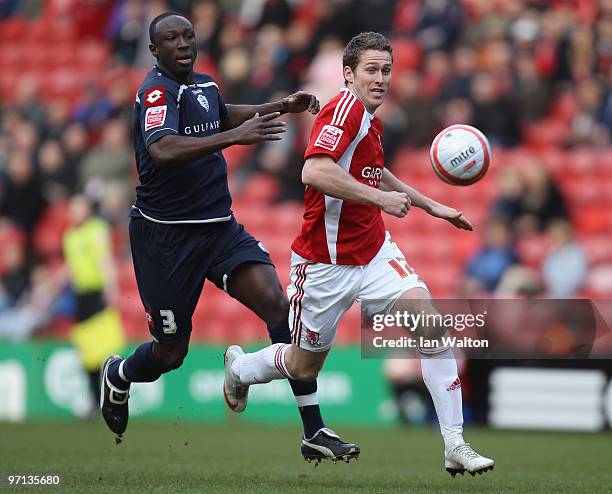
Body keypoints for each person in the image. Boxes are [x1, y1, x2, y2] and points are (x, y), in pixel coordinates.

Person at [224, 32, 495, 475]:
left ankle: (454, 445)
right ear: (348, 74)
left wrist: (430, 205)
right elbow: (314, 170)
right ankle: (240, 367)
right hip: (324, 264)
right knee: (302, 363)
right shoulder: (343, 109)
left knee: (430, 326)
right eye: (371, 69)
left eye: (387, 70)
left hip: (372, 251)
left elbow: (374, 171)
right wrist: (379, 200)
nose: (381, 78)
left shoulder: (371, 121)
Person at [99, 13, 358, 461]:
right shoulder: (155, 91)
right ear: (154, 50)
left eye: (188, 36)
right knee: (170, 353)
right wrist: (234, 138)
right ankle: (119, 374)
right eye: (171, 39)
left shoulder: (205, 86)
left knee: (278, 305)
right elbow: (162, 148)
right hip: (166, 240)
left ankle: (314, 430)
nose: (182, 44)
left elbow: (221, 114)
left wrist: (279, 106)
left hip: (218, 228)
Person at [62, 194, 126, 417]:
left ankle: (113, 399)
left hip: (99, 295)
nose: (74, 212)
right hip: (81, 298)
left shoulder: (97, 229)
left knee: (105, 350)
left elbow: (105, 260)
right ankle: (93, 400)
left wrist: (112, 288)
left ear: (87, 209)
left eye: (78, 207)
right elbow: (70, 268)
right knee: (88, 352)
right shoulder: (69, 236)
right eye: (72, 207)